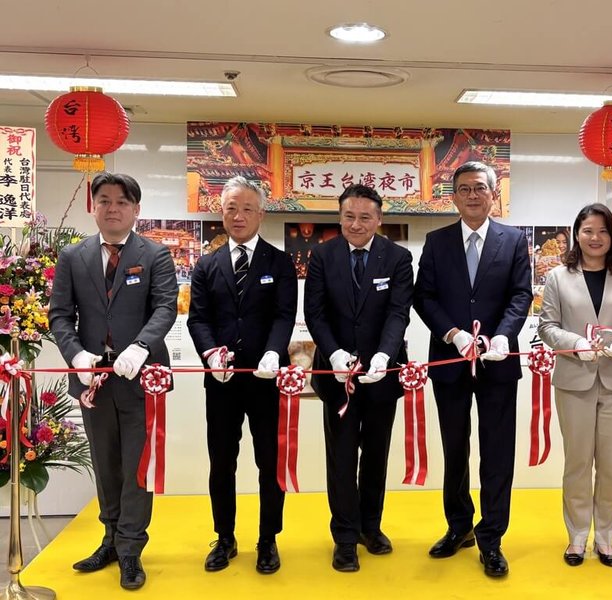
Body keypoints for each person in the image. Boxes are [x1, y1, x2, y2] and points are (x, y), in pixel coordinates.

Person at [49, 172, 178, 590]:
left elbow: (164, 308)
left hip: (141, 379)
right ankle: (109, 538)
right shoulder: (73, 256)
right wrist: (77, 355)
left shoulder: (156, 254)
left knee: (137, 467)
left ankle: (130, 550)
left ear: (136, 209)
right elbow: (59, 315)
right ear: (94, 207)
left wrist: (141, 346)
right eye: (104, 200)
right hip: (93, 381)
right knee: (106, 462)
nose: (113, 208)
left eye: (122, 202)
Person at [413, 161, 532, 577]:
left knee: (497, 453)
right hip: (450, 362)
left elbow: (521, 294)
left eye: (480, 188)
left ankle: (492, 537)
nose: (472, 195)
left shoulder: (514, 240)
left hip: (499, 363)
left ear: (493, 192)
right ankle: (458, 526)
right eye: (464, 189)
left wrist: (502, 336)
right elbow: (423, 296)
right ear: (454, 195)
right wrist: (453, 334)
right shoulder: (436, 241)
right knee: (455, 449)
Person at [187, 176, 297, 575]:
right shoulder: (206, 264)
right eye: (232, 207)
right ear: (222, 211)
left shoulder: (279, 262)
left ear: (261, 214)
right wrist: (210, 353)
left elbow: (285, 315)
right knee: (222, 461)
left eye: (248, 208)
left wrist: (272, 352)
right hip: (221, 383)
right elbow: (197, 318)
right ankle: (225, 537)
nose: (239, 215)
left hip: (266, 381)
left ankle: (268, 539)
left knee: (270, 461)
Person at [304, 184, 413, 573]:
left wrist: (384, 355)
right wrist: (333, 353)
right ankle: (345, 537)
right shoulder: (321, 256)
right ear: (339, 216)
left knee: (376, 455)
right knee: (342, 456)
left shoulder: (398, 258)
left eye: (365, 217)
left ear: (379, 219)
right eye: (349, 216)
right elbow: (315, 313)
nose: (356, 224)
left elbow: (399, 312)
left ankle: (371, 526)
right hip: (337, 379)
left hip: (382, 376)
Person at [538, 203, 612, 567]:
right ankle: (576, 537)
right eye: (587, 230)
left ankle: (605, 537)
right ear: (577, 234)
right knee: (578, 462)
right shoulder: (558, 276)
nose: (595, 237)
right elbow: (547, 326)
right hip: (574, 380)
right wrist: (575, 345)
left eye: (602, 231)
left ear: (611, 234)